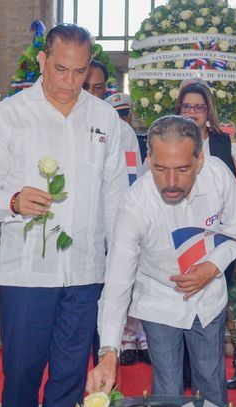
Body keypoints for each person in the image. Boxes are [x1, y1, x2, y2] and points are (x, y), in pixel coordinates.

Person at [0, 24, 127, 407]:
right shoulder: (8, 116)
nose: (70, 82)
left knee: (70, 383)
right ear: (42, 61)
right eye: (60, 70)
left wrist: (120, 264)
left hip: (85, 275)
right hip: (26, 277)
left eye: (79, 72)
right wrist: (14, 201)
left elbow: (115, 201)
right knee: (20, 379)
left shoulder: (105, 118)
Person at [87, 115, 236, 407]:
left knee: (212, 384)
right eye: (161, 169)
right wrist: (108, 351)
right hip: (158, 298)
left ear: (200, 160)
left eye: (183, 169)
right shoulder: (135, 204)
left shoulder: (219, 177)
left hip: (208, 295)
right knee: (167, 388)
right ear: (149, 159)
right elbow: (116, 284)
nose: (171, 182)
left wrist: (213, 266)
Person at [173, 79, 236, 390]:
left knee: (231, 297)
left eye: (199, 106)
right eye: (188, 106)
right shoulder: (168, 141)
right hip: (180, 238)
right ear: (179, 110)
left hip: (222, 236)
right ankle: (185, 367)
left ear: (208, 110)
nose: (194, 112)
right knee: (183, 299)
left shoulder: (226, 144)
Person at [104, 92, 150, 365]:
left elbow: (134, 174)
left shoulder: (127, 134)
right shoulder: (121, 132)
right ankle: (128, 337)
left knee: (133, 277)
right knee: (123, 278)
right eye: (121, 114)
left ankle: (136, 337)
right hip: (119, 213)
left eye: (126, 114)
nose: (125, 119)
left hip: (127, 212)